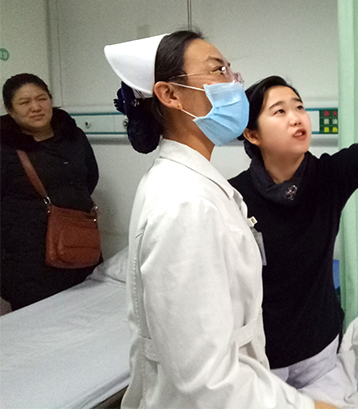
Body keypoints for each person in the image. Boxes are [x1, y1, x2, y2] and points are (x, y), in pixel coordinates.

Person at [104, 30, 336, 409]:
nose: (234, 83)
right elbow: (206, 380)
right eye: (218, 71)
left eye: (231, 70)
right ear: (170, 94)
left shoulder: (197, 185)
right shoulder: (185, 203)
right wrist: (305, 407)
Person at [228, 3, 358, 388]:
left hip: (320, 350)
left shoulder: (327, 178)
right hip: (259, 356)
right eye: (279, 111)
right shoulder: (233, 197)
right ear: (252, 134)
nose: (297, 117)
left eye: (299, 107)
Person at [0, 73, 100, 311]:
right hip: (28, 262)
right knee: (37, 323)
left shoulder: (73, 137)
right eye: (24, 102)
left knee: (86, 314)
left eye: (42, 98)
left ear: (51, 100)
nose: (36, 107)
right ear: (10, 110)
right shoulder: (4, 148)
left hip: (78, 246)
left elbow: (89, 178)